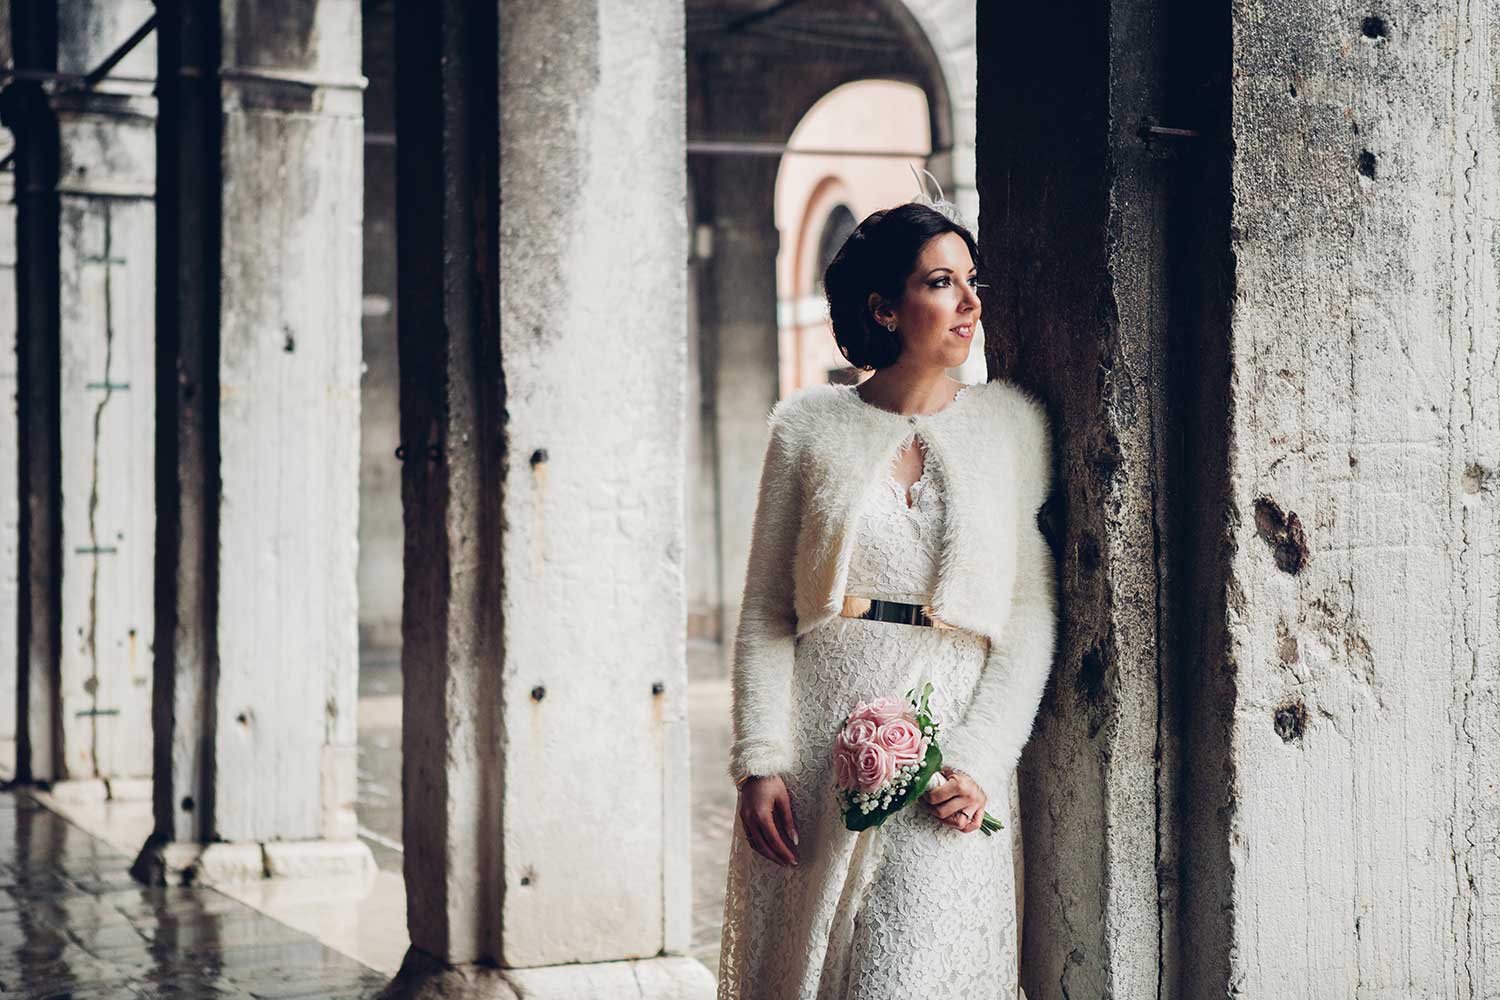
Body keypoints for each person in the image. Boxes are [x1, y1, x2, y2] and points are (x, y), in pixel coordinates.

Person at [715, 201, 1058, 999]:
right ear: (883, 307)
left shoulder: (1010, 426)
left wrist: (979, 760)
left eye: (973, 282)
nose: (971, 303)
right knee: (809, 967)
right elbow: (767, 607)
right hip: (816, 736)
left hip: (950, 740)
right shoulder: (806, 427)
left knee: (904, 972)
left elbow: (1030, 614)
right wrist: (760, 759)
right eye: (943, 283)